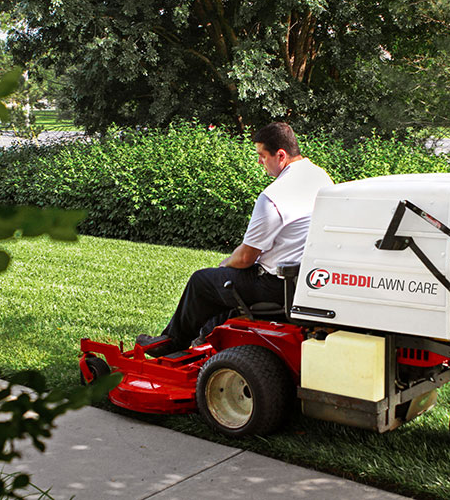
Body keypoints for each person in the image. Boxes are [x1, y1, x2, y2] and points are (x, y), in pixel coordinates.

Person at [137, 122, 333, 357]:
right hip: (308, 279)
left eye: (262, 155)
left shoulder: (274, 197)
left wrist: (223, 265)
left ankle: (171, 343)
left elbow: (245, 258)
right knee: (224, 287)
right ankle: (204, 340)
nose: (259, 162)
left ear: (280, 155)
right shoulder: (321, 178)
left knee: (202, 281)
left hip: (275, 285)